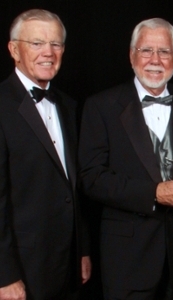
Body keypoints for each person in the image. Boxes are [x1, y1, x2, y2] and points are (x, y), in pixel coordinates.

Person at [78, 18, 173, 300]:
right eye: (146, 51)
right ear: (132, 56)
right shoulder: (101, 106)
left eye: (164, 52)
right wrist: (155, 193)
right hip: (127, 260)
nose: (155, 60)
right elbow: (91, 178)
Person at [0, 9, 91, 300]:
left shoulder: (68, 105)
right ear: (14, 50)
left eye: (56, 44)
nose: (48, 53)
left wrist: (82, 250)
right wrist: (4, 275)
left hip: (66, 265)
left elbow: (73, 189)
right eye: (37, 43)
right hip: (22, 268)